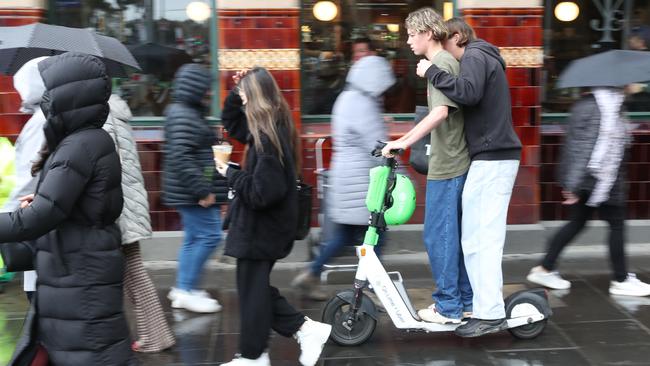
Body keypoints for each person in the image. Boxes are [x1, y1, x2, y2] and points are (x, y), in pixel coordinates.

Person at [0, 52, 135, 365]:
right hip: (77, 268)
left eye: (50, 90)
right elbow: (79, 202)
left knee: (90, 355)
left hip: (80, 273)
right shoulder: (86, 140)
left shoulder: (78, 146)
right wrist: (45, 196)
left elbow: (39, 218)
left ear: (68, 94)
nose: (44, 98)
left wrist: (39, 205)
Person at [416, 17, 522, 337]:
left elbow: (469, 92)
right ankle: (481, 306)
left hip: (493, 159)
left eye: (445, 43)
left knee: (482, 241)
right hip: (490, 158)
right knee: (475, 240)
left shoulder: (475, 55)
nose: (443, 53)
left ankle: (489, 314)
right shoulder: (482, 56)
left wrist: (432, 71)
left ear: (458, 37)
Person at [219, 67, 332, 366]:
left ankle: (257, 354)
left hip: (262, 228)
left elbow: (262, 193)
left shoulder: (267, 137)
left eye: (244, 94)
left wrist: (229, 174)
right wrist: (234, 89)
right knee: (253, 290)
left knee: (252, 290)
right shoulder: (268, 126)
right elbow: (230, 122)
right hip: (264, 228)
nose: (241, 100)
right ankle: (285, 339)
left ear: (255, 96)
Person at [381, 8, 472, 325]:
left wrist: (402, 143)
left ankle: (448, 306)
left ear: (428, 34)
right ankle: (465, 301)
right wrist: (401, 140)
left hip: (449, 164)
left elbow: (440, 114)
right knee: (448, 235)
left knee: (439, 236)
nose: (407, 41)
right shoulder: (441, 64)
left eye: (411, 34)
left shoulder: (441, 64)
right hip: (448, 162)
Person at [527, 88, 650, 297]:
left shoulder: (593, 103)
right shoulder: (604, 107)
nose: (634, 84)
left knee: (578, 222)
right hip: (601, 179)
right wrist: (573, 186)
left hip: (592, 179)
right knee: (616, 224)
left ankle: (545, 268)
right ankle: (620, 280)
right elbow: (588, 148)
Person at [291, 55, 395, 300]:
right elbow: (379, 147)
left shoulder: (346, 98)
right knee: (377, 237)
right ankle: (368, 290)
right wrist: (399, 175)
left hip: (345, 180)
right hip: (361, 184)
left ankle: (311, 273)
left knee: (344, 236)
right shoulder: (363, 105)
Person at [104, 93, 176, 352]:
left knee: (133, 272)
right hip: (128, 203)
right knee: (132, 272)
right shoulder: (116, 114)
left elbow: (109, 166)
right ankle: (151, 334)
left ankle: (157, 336)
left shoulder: (104, 119)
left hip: (120, 207)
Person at [162, 63, 228, 313]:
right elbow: (180, 157)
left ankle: (184, 287)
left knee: (193, 239)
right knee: (210, 237)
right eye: (205, 88)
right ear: (195, 88)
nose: (209, 93)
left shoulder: (185, 112)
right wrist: (203, 190)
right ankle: (186, 289)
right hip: (194, 193)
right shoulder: (183, 114)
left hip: (189, 191)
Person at [0, 57, 50, 301]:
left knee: (38, 294)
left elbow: (29, 175)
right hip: (42, 214)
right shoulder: (48, 118)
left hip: (34, 214)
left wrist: (7, 218)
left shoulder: (40, 122)